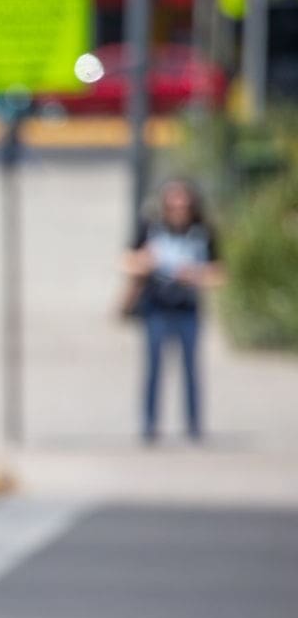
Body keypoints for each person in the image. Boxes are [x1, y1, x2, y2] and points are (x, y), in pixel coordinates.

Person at [124, 179, 224, 443]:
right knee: (154, 368)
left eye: (183, 203)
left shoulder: (202, 232)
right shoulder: (151, 229)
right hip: (156, 306)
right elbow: (127, 261)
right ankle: (149, 425)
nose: (178, 208)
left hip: (187, 308)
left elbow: (219, 273)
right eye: (173, 203)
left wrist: (195, 274)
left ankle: (193, 425)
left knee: (191, 369)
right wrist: (146, 261)